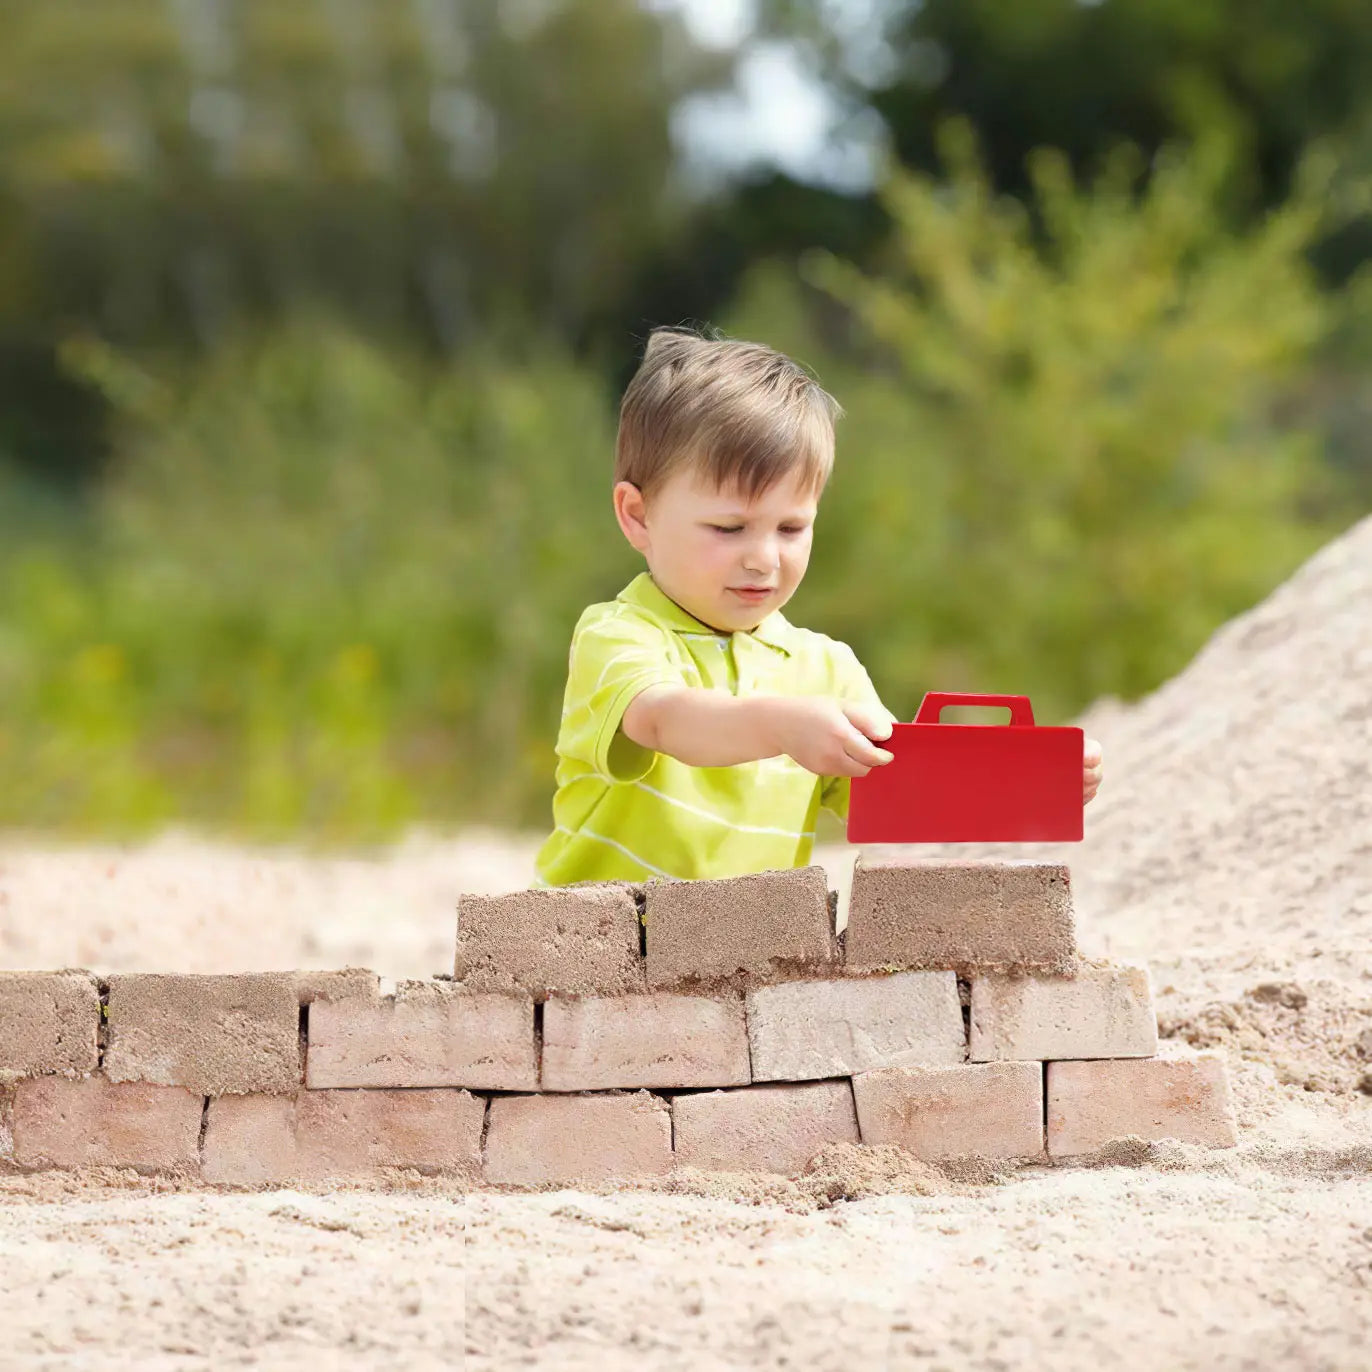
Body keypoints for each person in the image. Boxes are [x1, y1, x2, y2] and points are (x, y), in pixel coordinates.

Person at [532, 326, 1104, 888]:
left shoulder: (825, 670)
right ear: (637, 516)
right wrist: (785, 724)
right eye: (729, 528)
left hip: (750, 956)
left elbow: (896, 803)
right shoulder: (619, 633)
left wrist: (1024, 783)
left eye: (791, 527)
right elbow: (664, 719)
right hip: (599, 946)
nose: (763, 558)